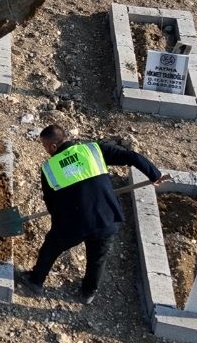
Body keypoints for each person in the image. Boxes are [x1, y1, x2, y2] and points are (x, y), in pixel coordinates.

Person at [16, 124, 167, 304]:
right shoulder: (93, 149)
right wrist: (154, 174)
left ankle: (35, 281)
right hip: (107, 218)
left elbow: (52, 204)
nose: (45, 150)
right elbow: (131, 156)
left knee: (51, 247)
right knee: (97, 257)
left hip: (75, 223)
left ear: (53, 146)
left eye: (45, 146)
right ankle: (88, 292)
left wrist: (59, 229)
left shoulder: (49, 168)